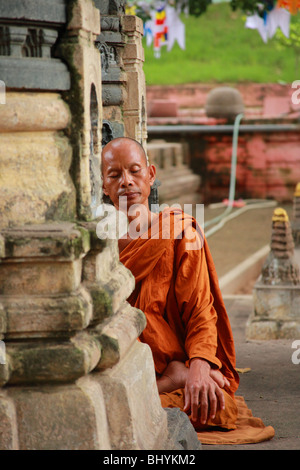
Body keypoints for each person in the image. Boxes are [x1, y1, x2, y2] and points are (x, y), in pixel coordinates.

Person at [101, 137, 275, 443]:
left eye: (135, 171)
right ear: (104, 185)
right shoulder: (99, 245)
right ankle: (169, 383)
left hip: (170, 355)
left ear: (151, 174)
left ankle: (181, 378)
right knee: (108, 404)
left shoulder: (178, 231)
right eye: (114, 175)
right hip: (131, 360)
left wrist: (199, 366)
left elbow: (199, 308)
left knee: (218, 408)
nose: (126, 182)